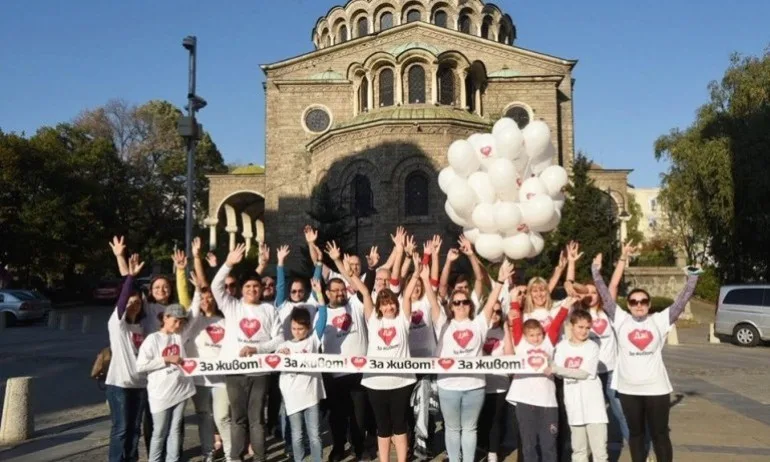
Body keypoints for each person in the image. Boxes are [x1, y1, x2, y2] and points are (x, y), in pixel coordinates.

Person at [592, 254, 700, 462]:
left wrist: (692, 279)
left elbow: (681, 301)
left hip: (656, 388)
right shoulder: (621, 318)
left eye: (643, 301)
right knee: (636, 435)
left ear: (649, 304)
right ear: (629, 304)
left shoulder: (659, 320)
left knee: (660, 434)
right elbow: (605, 296)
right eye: (633, 301)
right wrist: (596, 272)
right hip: (628, 389)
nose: (638, 305)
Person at [435, 259, 514, 462]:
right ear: (451, 306)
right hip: (448, 386)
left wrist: (500, 281)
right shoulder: (443, 323)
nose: (461, 305)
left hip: (475, 385)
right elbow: (435, 292)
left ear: (471, 306)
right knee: (452, 428)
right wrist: (425, 274)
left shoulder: (479, 323)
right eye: (457, 302)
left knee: (470, 429)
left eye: (465, 302)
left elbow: (491, 302)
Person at [212, 243, 284, 462]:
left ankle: (260, 457)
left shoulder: (269, 309)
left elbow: (279, 339)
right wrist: (228, 264)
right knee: (238, 418)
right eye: (248, 287)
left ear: (261, 289)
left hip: (260, 371)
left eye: (256, 286)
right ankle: (235, 457)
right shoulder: (232, 306)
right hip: (235, 371)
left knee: (256, 419)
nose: (252, 290)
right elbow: (216, 286)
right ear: (242, 290)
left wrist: (257, 349)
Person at [506, 288, 574, 462]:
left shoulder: (548, 343)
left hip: (547, 401)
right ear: (525, 335)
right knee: (528, 447)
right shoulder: (520, 343)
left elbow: (557, 322)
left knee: (549, 446)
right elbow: (515, 319)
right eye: (532, 335)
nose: (536, 339)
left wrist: (567, 304)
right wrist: (514, 299)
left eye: (538, 335)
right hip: (525, 400)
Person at [182, 238, 232, 462]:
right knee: (204, 416)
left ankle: (232, 454)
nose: (206, 301)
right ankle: (208, 452)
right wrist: (195, 257)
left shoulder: (225, 319)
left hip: (221, 378)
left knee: (223, 417)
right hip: (200, 378)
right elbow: (193, 302)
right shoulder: (193, 322)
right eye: (203, 298)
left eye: (210, 297)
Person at [318, 241, 370, 462]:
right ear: (327, 293)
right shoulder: (321, 314)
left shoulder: (355, 305)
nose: (339, 293)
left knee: (359, 416)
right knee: (338, 416)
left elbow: (357, 287)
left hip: (358, 372)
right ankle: (338, 448)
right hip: (334, 374)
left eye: (342, 290)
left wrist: (340, 262)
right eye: (335, 291)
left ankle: (360, 449)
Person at [136, 304, 196, 462]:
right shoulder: (153, 339)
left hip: (181, 389)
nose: (178, 325)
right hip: (160, 393)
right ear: (165, 318)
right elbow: (141, 365)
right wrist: (166, 359)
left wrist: (199, 289)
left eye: (181, 322)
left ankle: (173, 459)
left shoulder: (179, 336)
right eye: (175, 321)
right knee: (160, 431)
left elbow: (194, 312)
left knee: (175, 429)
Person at [276, 278, 328, 462]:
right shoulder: (284, 346)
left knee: (314, 435)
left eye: (300, 328)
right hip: (292, 398)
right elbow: (272, 361)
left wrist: (319, 293)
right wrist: (279, 355)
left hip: (311, 396)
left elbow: (323, 316)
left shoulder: (313, 340)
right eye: (294, 328)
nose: (297, 331)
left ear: (307, 327)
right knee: (297, 436)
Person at [104, 249, 147, 462]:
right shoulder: (117, 324)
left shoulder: (141, 327)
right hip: (119, 385)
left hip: (139, 385)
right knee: (120, 428)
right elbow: (122, 301)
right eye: (130, 301)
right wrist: (130, 277)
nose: (133, 304)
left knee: (135, 429)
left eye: (137, 302)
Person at [552, 309, 608, 462]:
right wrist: (555, 369)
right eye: (580, 327)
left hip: (594, 409)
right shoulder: (562, 347)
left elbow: (584, 373)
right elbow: (557, 373)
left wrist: (557, 369)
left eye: (587, 328)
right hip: (574, 406)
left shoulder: (592, 347)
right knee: (578, 451)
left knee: (600, 453)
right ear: (571, 326)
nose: (584, 331)